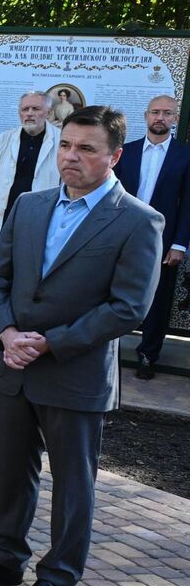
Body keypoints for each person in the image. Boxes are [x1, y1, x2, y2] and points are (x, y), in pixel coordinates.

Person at [0, 106, 162, 586]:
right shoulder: (29, 205)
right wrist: (5, 332)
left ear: (114, 156)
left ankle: (59, 576)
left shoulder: (138, 221)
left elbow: (128, 307)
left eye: (86, 149)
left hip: (74, 370)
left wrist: (50, 342)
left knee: (72, 482)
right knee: (9, 471)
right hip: (15, 364)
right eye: (66, 145)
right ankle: (4, 558)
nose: (72, 157)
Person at [0, 91, 60, 353]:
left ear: (48, 112)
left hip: (43, 225)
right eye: (25, 109)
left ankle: (28, 336)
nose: (29, 114)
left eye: (36, 109)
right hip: (5, 222)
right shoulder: (4, 140)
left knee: (34, 285)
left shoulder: (61, 141)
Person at [112, 95, 190, 380]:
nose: (161, 117)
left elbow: (188, 204)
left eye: (167, 113)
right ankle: (107, 349)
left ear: (175, 119)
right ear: (146, 116)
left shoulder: (185, 155)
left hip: (164, 239)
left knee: (158, 298)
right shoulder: (126, 152)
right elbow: (110, 195)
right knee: (113, 290)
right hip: (122, 234)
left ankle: (148, 354)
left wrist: (179, 244)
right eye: (155, 112)